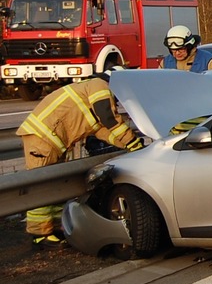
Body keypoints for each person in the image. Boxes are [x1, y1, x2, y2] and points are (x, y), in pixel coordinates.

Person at [17, 75, 145, 248]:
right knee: (42, 187)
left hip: (50, 139)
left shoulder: (89, 90)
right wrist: (132, 142)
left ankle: (53, 228)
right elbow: (108, 118)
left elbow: (102, 130)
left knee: (54, 185)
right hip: (43, 138)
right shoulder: (100, 86)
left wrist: (129, 144)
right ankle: (39, 235)